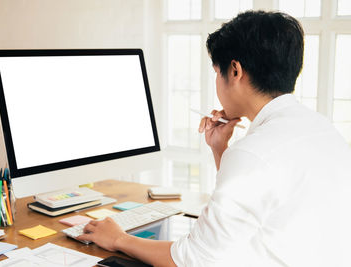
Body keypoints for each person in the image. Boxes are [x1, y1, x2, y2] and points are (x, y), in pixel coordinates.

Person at [78, 10, 351, 267]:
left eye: (216, 72)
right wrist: (221, 150)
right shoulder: (321, 128)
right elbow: (255, 205)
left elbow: (192, 260)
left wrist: (118, 238)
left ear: (234, 70)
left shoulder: (254, 152)